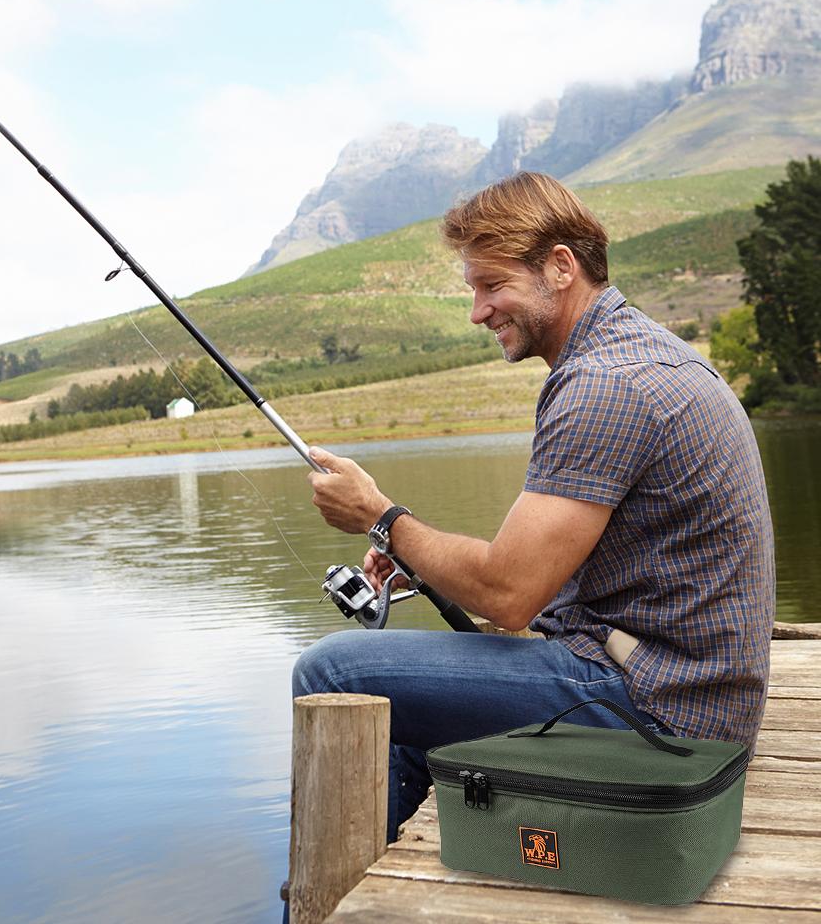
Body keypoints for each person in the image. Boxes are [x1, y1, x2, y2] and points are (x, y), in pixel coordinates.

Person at [293, 171, 775, 843]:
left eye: (493, 286)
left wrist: (381, 517)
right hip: (685, 689)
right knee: (405, 714)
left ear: (559, 267)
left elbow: (509, 595)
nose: (478, 311)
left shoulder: (606, 384)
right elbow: (531, 570)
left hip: (666, 713)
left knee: (333, 671)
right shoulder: (635, 353)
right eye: (474, 289)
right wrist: (413, 554)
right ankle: (379, 880)